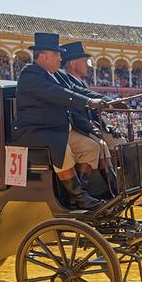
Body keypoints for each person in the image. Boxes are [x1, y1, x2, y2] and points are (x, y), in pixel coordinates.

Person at [12, 33, 107, 210]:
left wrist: (105, 100)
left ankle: (78, 193)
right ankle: (78, 196)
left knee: (91, 147)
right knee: (62, 150)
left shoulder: (58, 75)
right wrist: (87, 103)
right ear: (43, 55)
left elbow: (78, 90)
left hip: (58, 129)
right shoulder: (30, 74)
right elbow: (57, 93)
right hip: (36, 132)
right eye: (57, 54)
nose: (60, 58)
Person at [55, 41, 121, 196]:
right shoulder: (66, 79)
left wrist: (107, 125)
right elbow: (75, 110)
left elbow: (92, 107)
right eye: (85, 61)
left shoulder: (80, 82)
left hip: (87, 127)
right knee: (100, 145)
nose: (88, 65)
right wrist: (91, 127)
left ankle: (112, 184)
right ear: (72, 63)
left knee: (119, 143)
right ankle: (90, 190)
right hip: (79, 127)